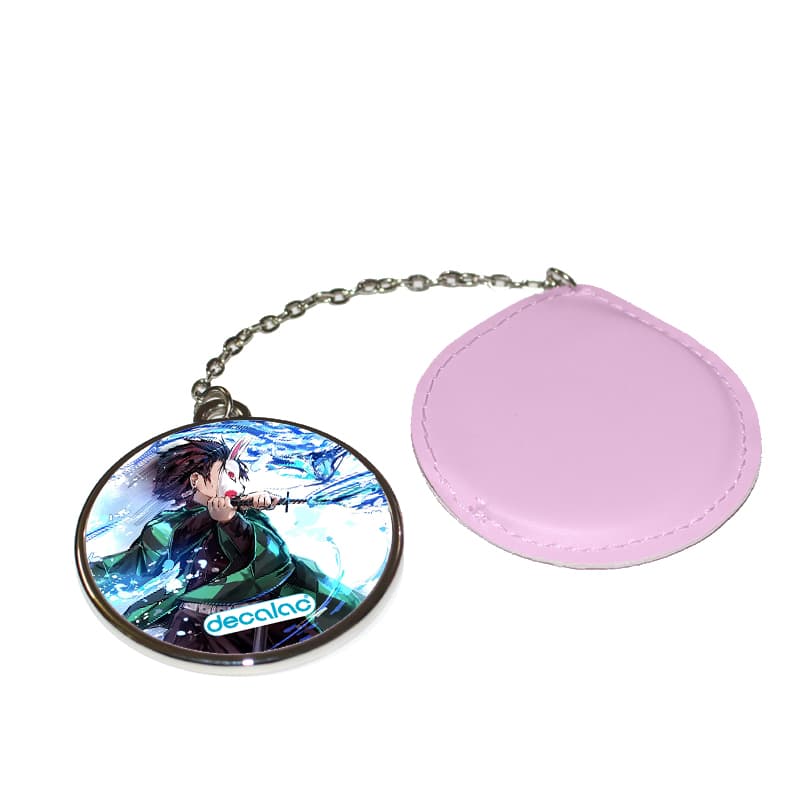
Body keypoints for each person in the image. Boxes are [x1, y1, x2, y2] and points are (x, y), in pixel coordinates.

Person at [91, 438, 363, 653]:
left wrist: (234, 520)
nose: (237, 485)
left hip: (266, 616)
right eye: (227, 475)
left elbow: (274, 560)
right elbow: (141, 563)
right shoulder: (169, 525)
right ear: (197, 480)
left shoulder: (249, 518)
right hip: (198, 622)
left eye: (237, 478)